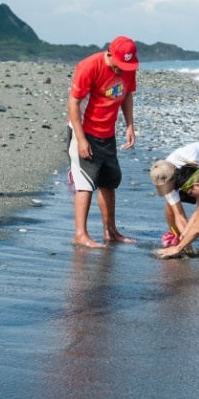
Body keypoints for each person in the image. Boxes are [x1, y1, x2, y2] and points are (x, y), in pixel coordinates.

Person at [67, 36, 139, 247]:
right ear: (109, 54)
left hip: (107, 132)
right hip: (84, 130)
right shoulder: (90, 67)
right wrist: (80, 140)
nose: (122, 71)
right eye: (119, 65)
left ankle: (111, 232)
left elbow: (126, 95)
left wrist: (129, 125)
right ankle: (80, 234)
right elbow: (73, 103)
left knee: (109, 181)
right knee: (85, 184)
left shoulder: (128, 67)